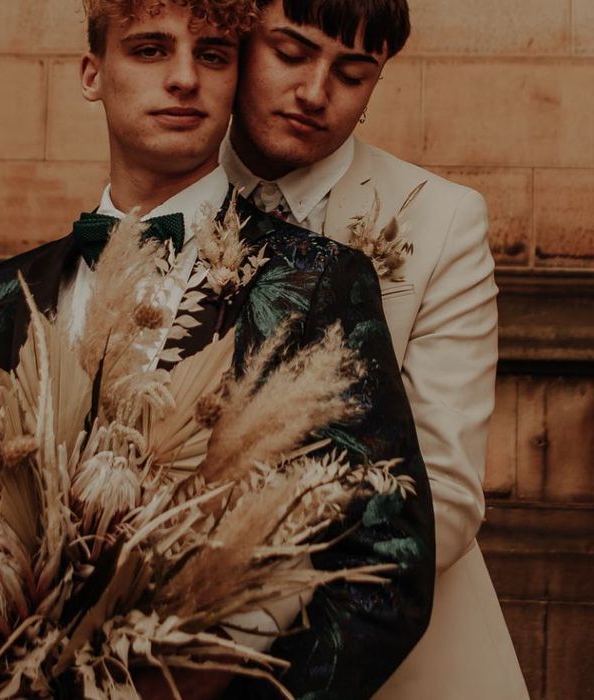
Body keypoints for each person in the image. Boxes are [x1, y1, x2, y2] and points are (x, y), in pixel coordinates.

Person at [0, 1, 434, 698]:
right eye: (150, 50)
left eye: (211, 55)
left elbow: (387, 562)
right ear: (93, 74)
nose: (184, 78)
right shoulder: (8, 290)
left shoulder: (317, 282)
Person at [220, 1, 529, 698]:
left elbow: (445, 490)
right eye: (291, 53)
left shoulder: (444, 218)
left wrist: (250, 622)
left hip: (399, 653)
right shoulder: (166, 183)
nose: (315, 92)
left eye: (353, 73)